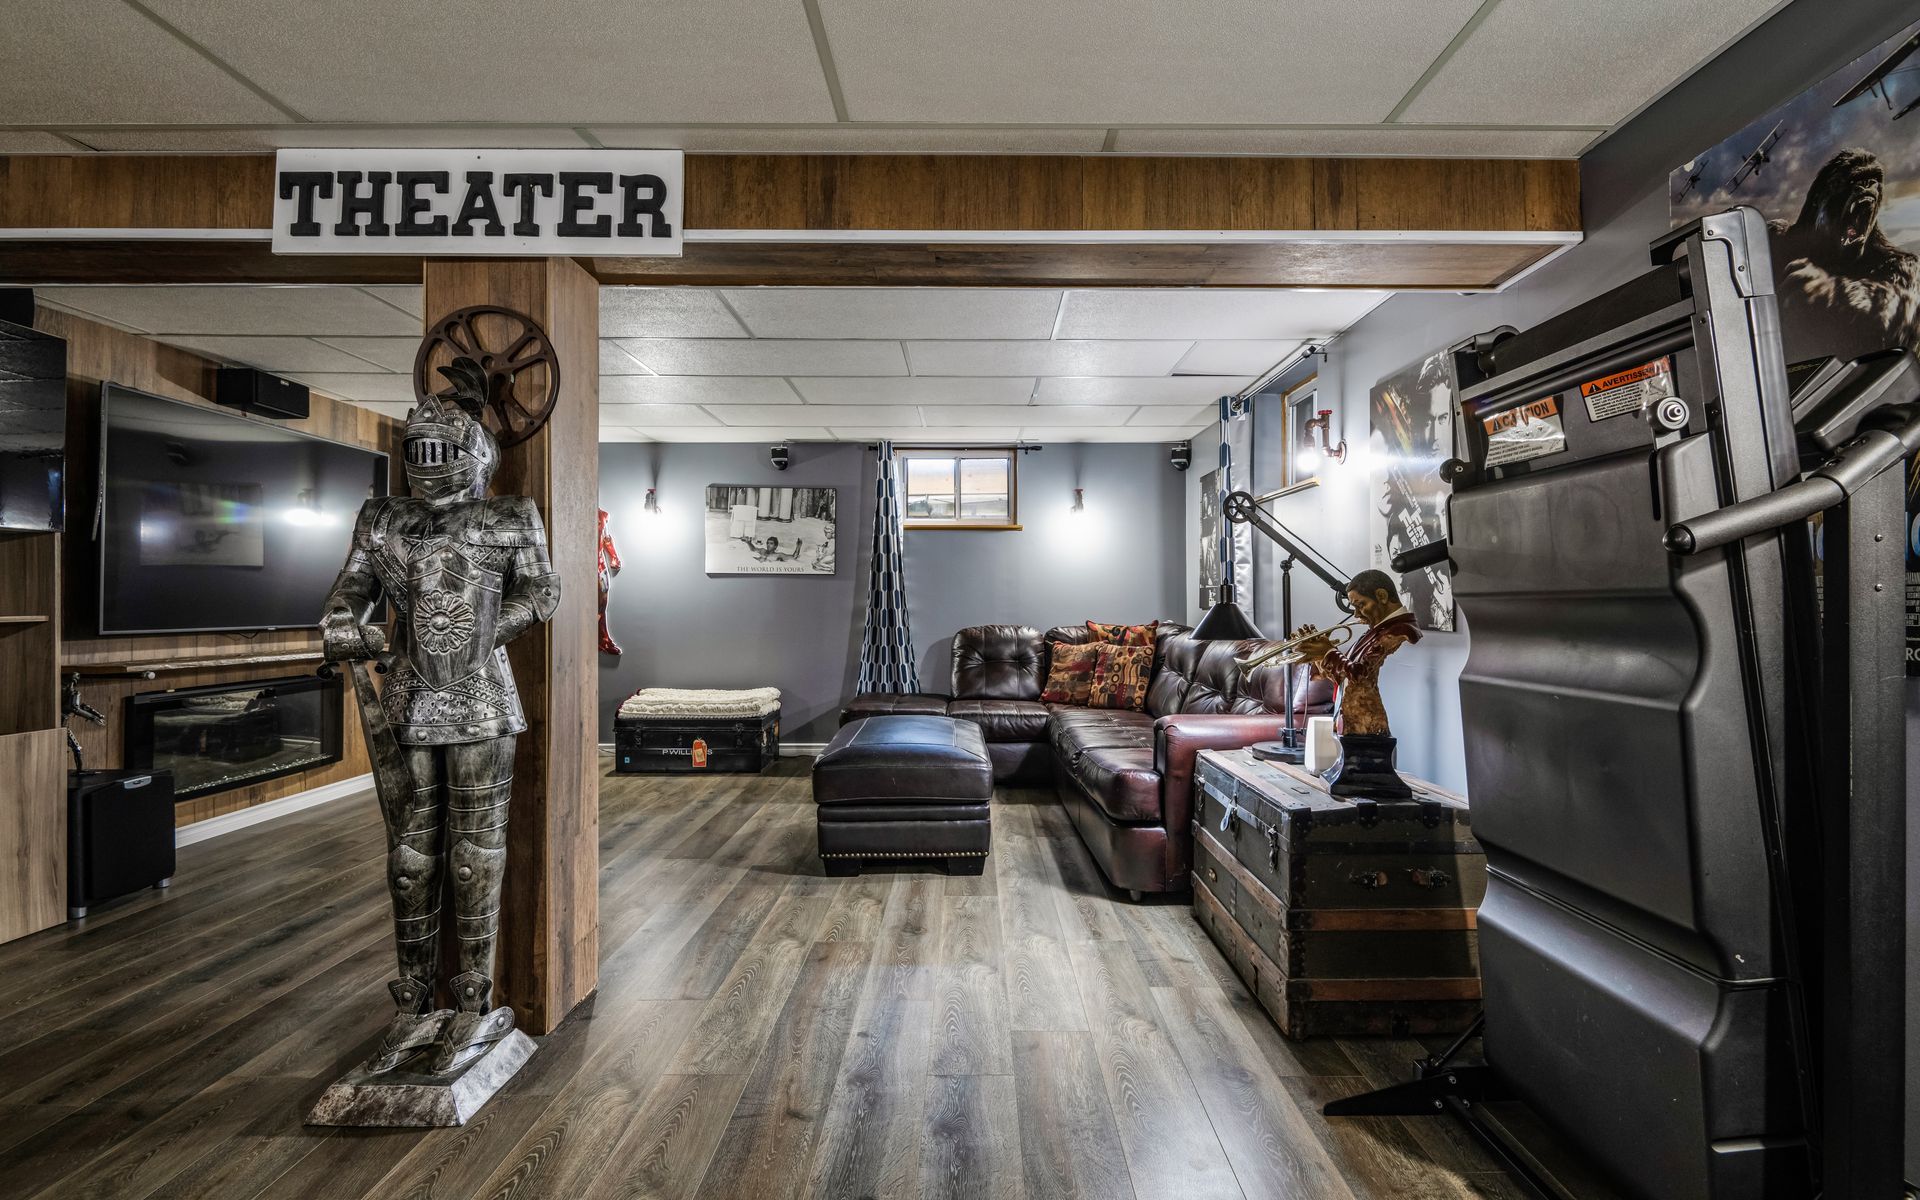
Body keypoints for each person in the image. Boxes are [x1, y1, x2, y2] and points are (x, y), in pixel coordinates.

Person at [321, 358, 560, 1076]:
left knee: (472, 853)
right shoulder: (383, 519)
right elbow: (350, 592)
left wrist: (493, 627)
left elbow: (543, 591)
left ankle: (470, 1000)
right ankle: (412, 1003)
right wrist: (340, 624)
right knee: (409, 858)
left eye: (445, 449)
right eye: (419, 449)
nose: (430, 462)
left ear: (476, 455)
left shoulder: (509, 516)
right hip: (408, 692)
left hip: (483, 695)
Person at [1287, 569, 1421, 737]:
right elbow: (1344, 676)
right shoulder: (1375, 631)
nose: (1356, 614)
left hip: (1369, 731)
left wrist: (1327, 652)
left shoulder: (1400, 631)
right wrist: (1319, 654)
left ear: (1381, 596)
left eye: (1360, 605)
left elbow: (1359, 675)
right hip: (1351, 725)